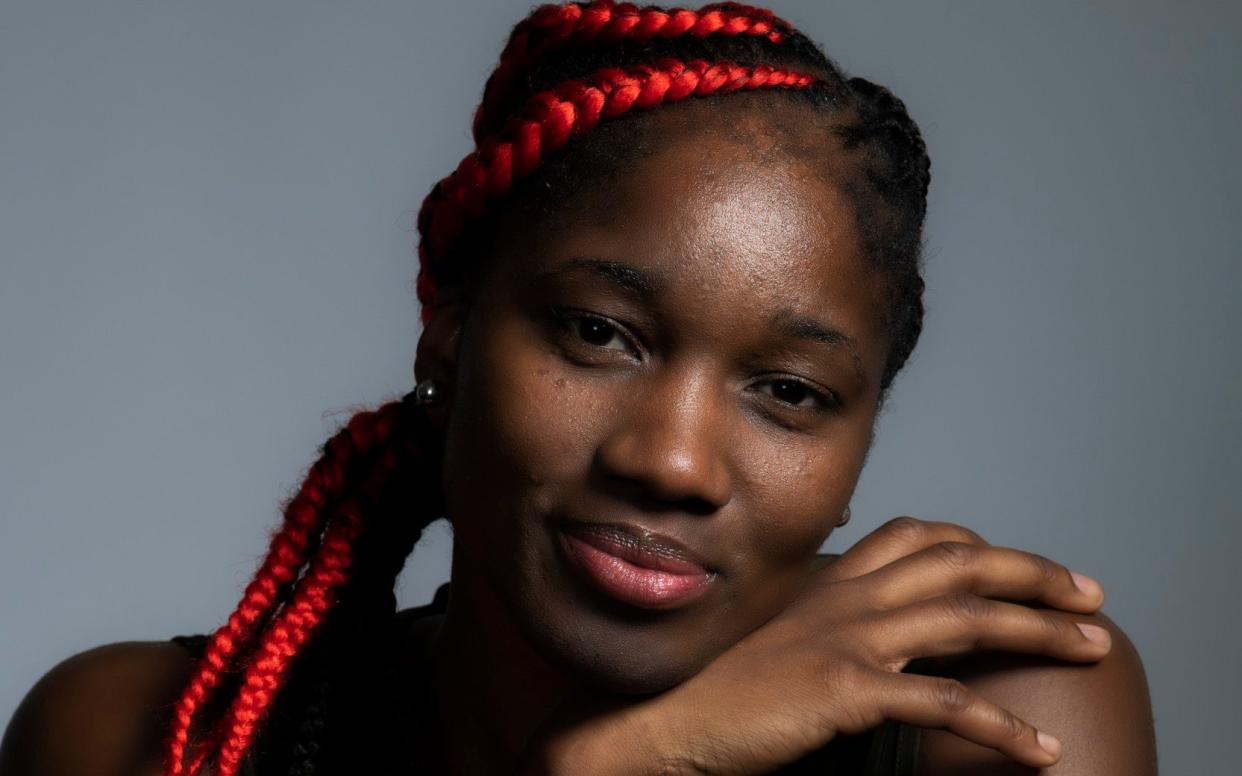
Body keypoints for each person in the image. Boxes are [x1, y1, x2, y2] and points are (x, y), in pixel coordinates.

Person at [0, 2, 1157, 774]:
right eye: (600, 332)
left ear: (860, 446)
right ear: (448, 341)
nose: (673, 458)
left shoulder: (994, 708)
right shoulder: (126, 733)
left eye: (791, 392)